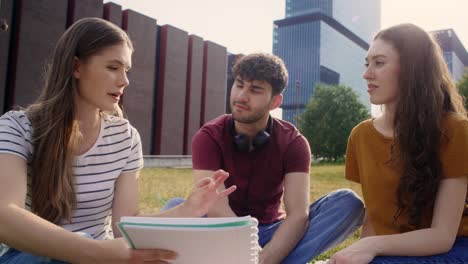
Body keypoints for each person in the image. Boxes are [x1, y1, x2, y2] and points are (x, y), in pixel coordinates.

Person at [0, 17, 235, 264]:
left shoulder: (126, 137)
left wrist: (189, 209)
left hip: (103, 254)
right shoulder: (17, 127)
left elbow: (125, 223)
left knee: (178, 228)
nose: (125, 81)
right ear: (76, 67)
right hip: (30, 257)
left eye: (126, 70)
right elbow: (5, 216)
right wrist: (97, 252)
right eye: (113, 68)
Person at [164, 53, 365, 263]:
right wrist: (251, 251)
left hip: (271, 231)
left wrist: (264, 258)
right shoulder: (208, 137)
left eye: (255, 90)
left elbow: (298, 214)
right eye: (239, 85)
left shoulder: (294, 142)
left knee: (347, 203)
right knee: (175, 207)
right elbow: (217, 210)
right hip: (220, 227)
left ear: (275, 101)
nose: (241, 96)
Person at [328, 23, 468, 264]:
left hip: (452, 249)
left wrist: (371, 246)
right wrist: (363, 250)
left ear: (412, 69)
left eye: (379, 63)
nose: (367, 74)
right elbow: (374, 217)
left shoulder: (455, 129)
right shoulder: (360, 135)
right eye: (367, 63)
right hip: (390, 250)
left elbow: (443, 236)